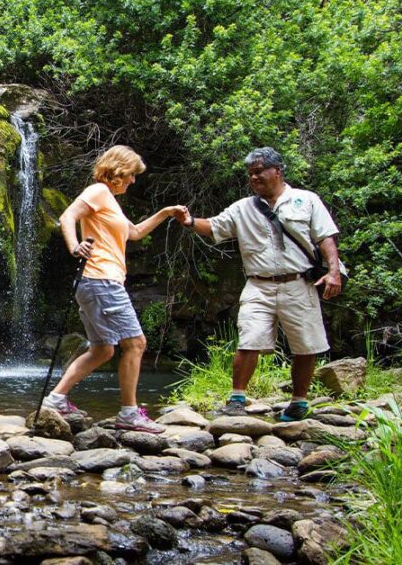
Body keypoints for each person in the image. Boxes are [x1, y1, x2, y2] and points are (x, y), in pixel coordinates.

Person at [178, 147, 343, 421]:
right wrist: (190, 221)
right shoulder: (243, 208)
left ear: (277, 171)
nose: (254, 177)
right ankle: (237, 398)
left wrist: (334, 272)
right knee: (249, 339)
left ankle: (299, 402)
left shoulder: (306, 200)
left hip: (299, 283)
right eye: (250, 173)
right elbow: (215, 227)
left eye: (259, 172)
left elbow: (326, 238)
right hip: (258, 285)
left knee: (305, 345)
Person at [42, 145, 184, 433]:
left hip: (96, 283)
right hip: (101, 281)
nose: (133, 181)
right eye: (132, 175)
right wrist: (74, 246)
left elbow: (135, 233)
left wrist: (166, 213)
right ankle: (129, 413)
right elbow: (68, 217)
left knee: (103, 350)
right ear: (119, 171)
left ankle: (55, 399)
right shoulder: (97, 191)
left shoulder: (109, 200)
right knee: (136, 343)